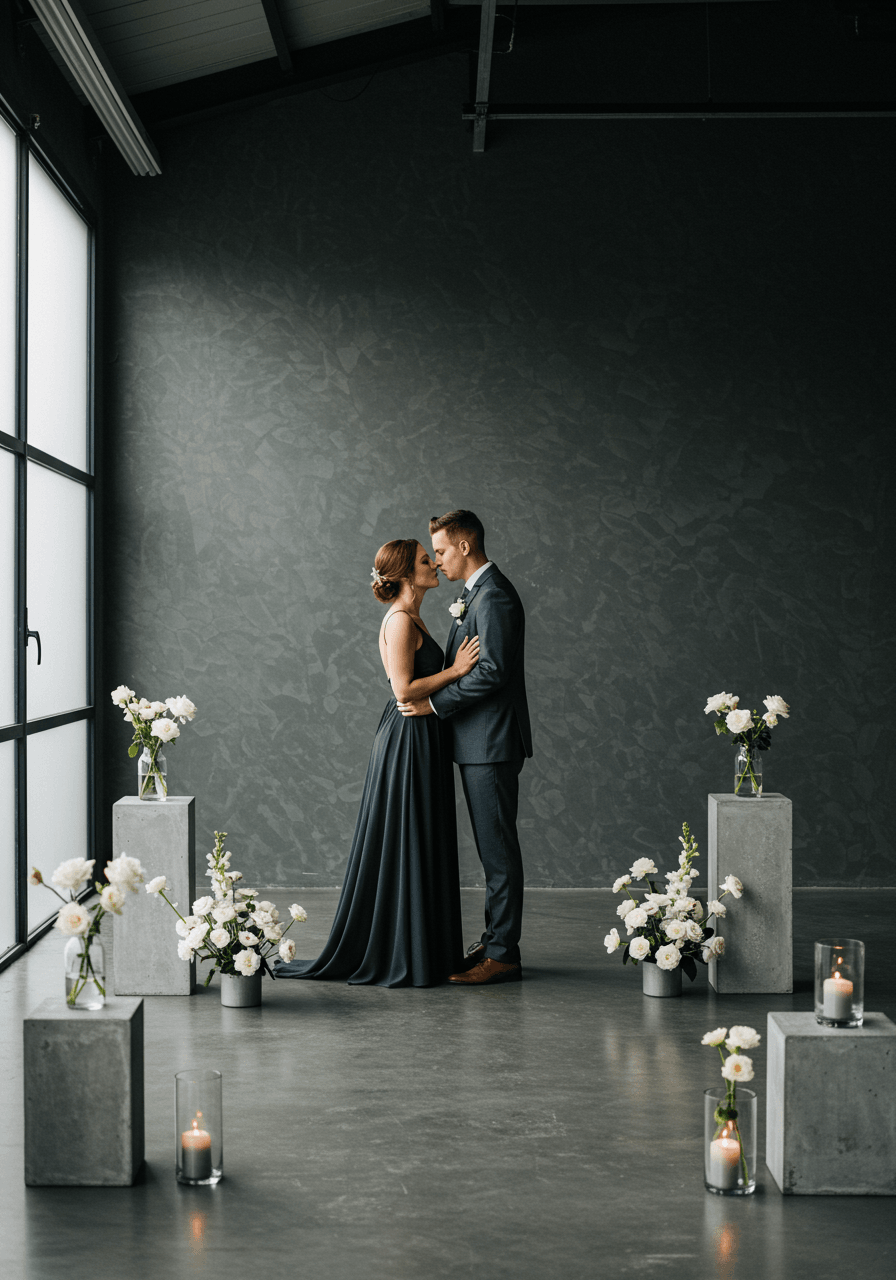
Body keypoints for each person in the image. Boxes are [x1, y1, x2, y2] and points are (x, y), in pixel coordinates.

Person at [276, 538, 480, 987]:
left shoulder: (413, 616)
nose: (435, 564)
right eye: (427, 561)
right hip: (409, 734)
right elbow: (403, 690)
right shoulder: (402, 621)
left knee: (420, 832)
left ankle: (423, 945)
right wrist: (457, 671)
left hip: (422, 733)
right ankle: (409, 951)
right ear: (407, 575)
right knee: (410, 833)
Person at [398, 510, 532, 986]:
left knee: (497, 853)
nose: (437, 560)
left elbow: (493, 672)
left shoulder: (493, 596)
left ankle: (503, 955)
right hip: (478, 742)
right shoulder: (472, 593)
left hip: (490, 744)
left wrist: (435, 705)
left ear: (466, 547)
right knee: (491, 849)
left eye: (441, 550)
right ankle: (496, 939)